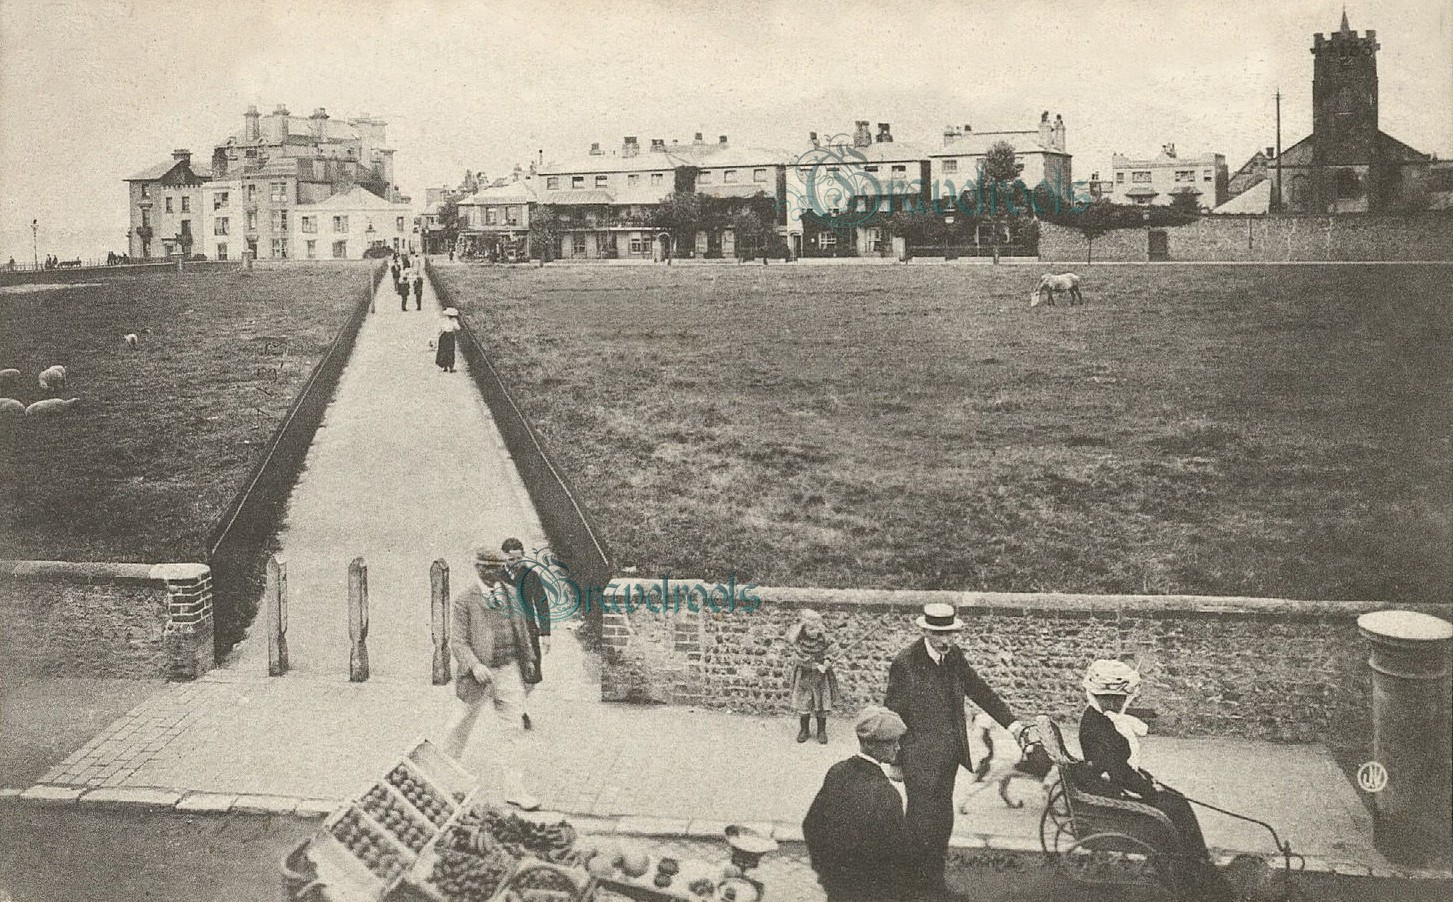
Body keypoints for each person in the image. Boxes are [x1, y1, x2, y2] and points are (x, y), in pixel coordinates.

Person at [884, 603, 1027, 900]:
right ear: (924, 630)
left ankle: (934, 884)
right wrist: (895, 760)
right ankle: (913, 888)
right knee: (921, 822)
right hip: (918, 758)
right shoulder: (906, 662)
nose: (945, 640)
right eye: (938, 633)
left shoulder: (954, 657)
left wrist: (1013, 725)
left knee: (942, 821)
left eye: (949, 633)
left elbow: (979, 690)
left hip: (948, 756)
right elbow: (894, 712)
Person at [1077, 659, 1232, 901]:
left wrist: (1147, 780)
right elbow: (1117, 771)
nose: (1122, 703)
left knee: (1176, 800)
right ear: (1105, 697)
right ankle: (1191, 869)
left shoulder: (1099, 718)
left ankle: (1196, 860)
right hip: (1111, 790)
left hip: (1115, 782)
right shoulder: (1097, 725)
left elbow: (1119, 765)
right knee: (1174, 806)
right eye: (1118, 699)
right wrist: (1149, 789)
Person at [442, 547, 541, 810]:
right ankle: (442, 783)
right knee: (458, 727)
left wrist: (528, 659)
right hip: (479, 676)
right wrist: (474, 666)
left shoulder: (510, 594)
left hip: (508, 670)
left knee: (513, 730)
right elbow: (458, 642)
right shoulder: (465, 600)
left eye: (499, 569)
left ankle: (515, 789)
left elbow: (522, 628)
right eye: (489, 568)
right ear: (478, 568)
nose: (495, 574)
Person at [803, 705, 917, 902]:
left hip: (837, 888)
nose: (898, 748)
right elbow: (897, 858)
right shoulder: (887, 795)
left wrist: (825, 873)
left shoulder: (837, 771)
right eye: (892, 742)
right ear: (873, 745)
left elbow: (811, 825)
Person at [500, 537, 550, 731]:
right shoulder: (497, 577)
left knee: (533, 675)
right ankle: (520, 711)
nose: (516, 563)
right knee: (511, 673)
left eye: (519, 559)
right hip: (505, 631)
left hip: (529, 631)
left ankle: (519, 705)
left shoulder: (531, 576)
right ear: (504, 557)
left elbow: (542, 603)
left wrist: (546, 633)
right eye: (512, 560)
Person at [787, 609, 838, 744]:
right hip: (805, 675)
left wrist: (826, 662)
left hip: (821, 677)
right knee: (804, 701)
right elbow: (800, 658)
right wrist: (814, 665)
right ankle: (804, 730)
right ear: (803, 629)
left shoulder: (824, 639)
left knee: (821, 702)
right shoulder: (799, 643)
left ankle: (822, 730)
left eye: (817, 628)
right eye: (811, 629)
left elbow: (832, 649)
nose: (814, 631)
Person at [436, 307, 461, 372]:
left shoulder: (443, 320)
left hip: (443, 336)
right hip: (450, 336)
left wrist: (437, 336)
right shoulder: (454, 321)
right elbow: (458, 328)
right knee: (450, 351)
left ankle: (445, 366)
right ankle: (451, 367)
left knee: (443, 350)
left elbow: (439, 329)